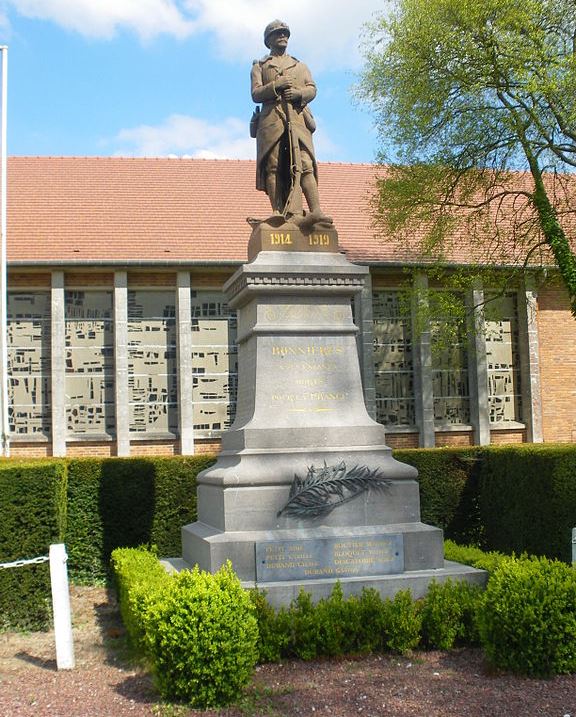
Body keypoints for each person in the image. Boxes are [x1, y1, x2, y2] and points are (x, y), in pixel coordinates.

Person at [251, 20, 331, 225]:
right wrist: (276, 85)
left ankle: (316, 211)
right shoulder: (260, 67)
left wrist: (299, 93)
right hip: (271, 120)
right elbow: (256, 94)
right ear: (268, 40)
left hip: (297, 119)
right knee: (274, 166)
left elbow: (312, 89)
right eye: (277, 34)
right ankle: (278, 211)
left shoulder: (300, 66)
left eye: (285, 33)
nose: (282, 36)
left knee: (305, 163)